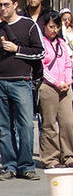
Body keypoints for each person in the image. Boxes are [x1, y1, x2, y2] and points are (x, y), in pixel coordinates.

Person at [0, 0, 45, 181]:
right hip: (0, 83)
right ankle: (9, 166)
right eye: (0, 5)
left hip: (21, 82)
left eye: (6, 4)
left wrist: (17, 49)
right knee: (5, 127)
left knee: (26, 125)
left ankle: (26, 166)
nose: (3, 8)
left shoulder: (28, 26)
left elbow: (40, 53)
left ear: (15, 5)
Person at [37, 11, 73, 168]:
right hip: (48, 87)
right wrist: (57, 82)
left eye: (57, 27)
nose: (54, 30)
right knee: (50, 123)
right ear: (44, 26)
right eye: (51, 26)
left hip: (65, 87)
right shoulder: (41, 44)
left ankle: (69, 155)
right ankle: (51, 158)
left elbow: (67, 64)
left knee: (68, 122)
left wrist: (67, 81)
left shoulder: (62, 43)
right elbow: (42, 67)